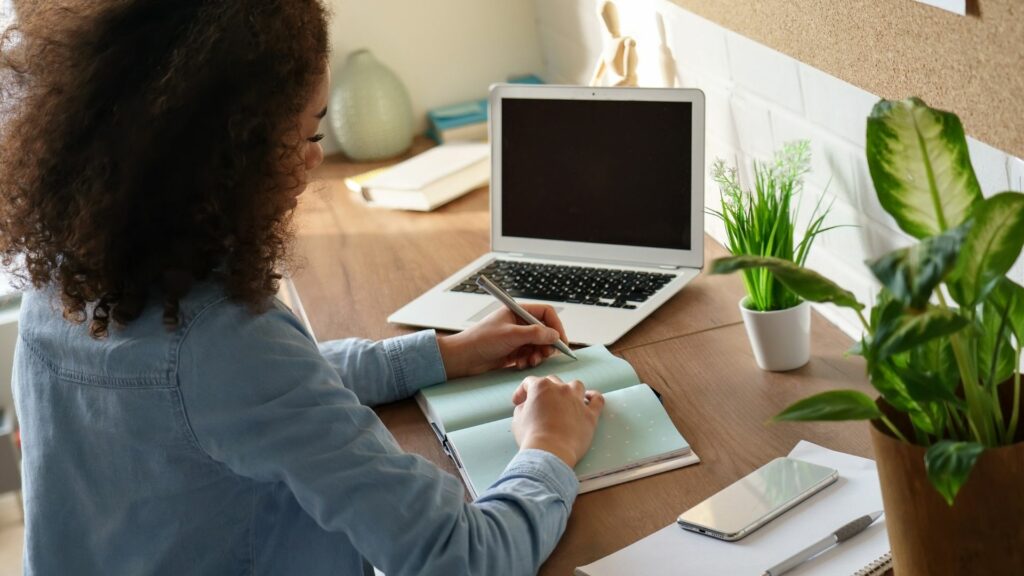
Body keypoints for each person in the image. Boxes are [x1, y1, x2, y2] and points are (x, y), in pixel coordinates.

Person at [0, 1, 605, 574]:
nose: (316, 160)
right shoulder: (222, 337)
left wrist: (443, 354)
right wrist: (549, 447)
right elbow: (462, 559)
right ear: (231, 152)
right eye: (310, 133)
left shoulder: (65, 275)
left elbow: (250, 396)